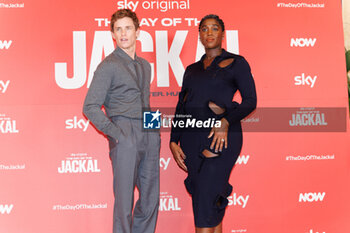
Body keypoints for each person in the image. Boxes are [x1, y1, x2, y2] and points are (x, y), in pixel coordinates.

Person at [169, 14, 257, 233]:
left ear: (223, 34)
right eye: (204, 29)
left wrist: (226, 121)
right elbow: (182, 107)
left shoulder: (237, 63)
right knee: (209, 204)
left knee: (206, 204)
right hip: (191, 142)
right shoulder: (191, 70)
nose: (209, 33)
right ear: (199, 35)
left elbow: (250, 101)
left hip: (221, 140)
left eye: (214, 29)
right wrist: (173, 141)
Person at [83, 9, 160, 233]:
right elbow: (89, 106)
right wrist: (117, 133)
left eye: (128, 28)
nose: (123, 33)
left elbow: (145, 102)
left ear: (137, 31)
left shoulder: (146, 65)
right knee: (124, 203)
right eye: (118, 29)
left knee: (150, 200)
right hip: (124, 130)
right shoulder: (108, 65)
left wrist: (155, 134)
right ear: (113, 34)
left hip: (148, 131)